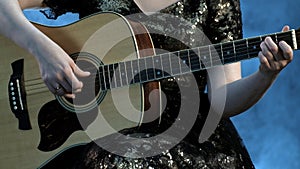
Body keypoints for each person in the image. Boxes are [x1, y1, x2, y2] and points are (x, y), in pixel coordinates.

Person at [0, 0, 294, 168]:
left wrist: (265, 75)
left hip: (188, 136)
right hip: (93, 133)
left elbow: (222, 102)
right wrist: (41, 49)